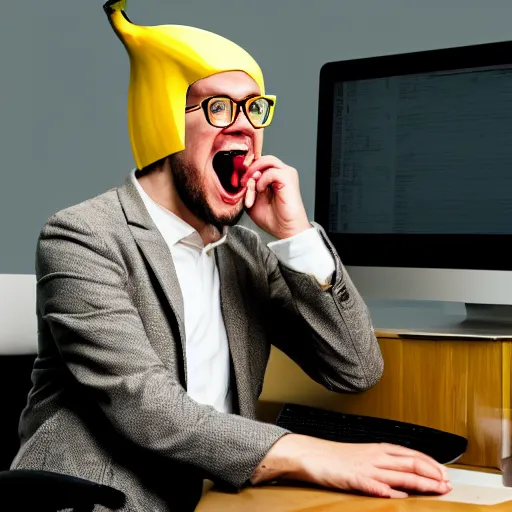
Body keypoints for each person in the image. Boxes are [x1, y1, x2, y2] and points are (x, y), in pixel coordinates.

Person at [12, 1, 452, 510]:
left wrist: (296, 235)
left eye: (254, 108)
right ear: (164, 121)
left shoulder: (246, 254)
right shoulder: (82, 237)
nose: (244, 126)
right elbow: (147, 408)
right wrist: (312, 454)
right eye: (218, 107)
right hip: (101, 499)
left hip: (218, 496)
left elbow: (355, 369)